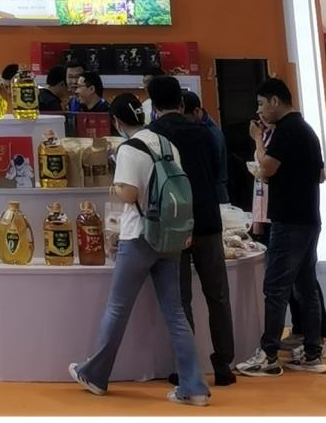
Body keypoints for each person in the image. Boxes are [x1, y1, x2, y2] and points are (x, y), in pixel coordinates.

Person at [70, 96, 212, 407]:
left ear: (117, 122)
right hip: (170, 237)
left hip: (138, 236)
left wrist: (113, 187)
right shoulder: (167, 145)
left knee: (117, 308)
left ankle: (95, 375)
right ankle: (194, 386)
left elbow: (130, 192)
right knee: (175, 312)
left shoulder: (128, 149)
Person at [236, 77, 326, 376]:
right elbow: (320, 176)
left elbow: (266, 169)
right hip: (308, 217)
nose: (259, 110)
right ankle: (312, 353)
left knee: (275, 288)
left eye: (262, 104)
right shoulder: (307, 130)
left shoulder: (287, 131)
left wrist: (257, 140)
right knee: (305, 287)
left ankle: (269, 355)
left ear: (275, 101)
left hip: (289, 220)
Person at [149, 77, 236, 386]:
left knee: (180, 299)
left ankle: (187, 366)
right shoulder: (205, 133)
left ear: (153, 105)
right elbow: (216, 172)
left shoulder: (152, 136)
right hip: (208, 220)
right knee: (218, 295)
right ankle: (224, 365)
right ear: (182, 102)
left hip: (173, 224)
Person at [183, 90, 229, 204]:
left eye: (185, 118)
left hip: (216, 194)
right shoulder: (201, 129)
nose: (183, 123)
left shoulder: (212, 134)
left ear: (196, 111)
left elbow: (212, 168)